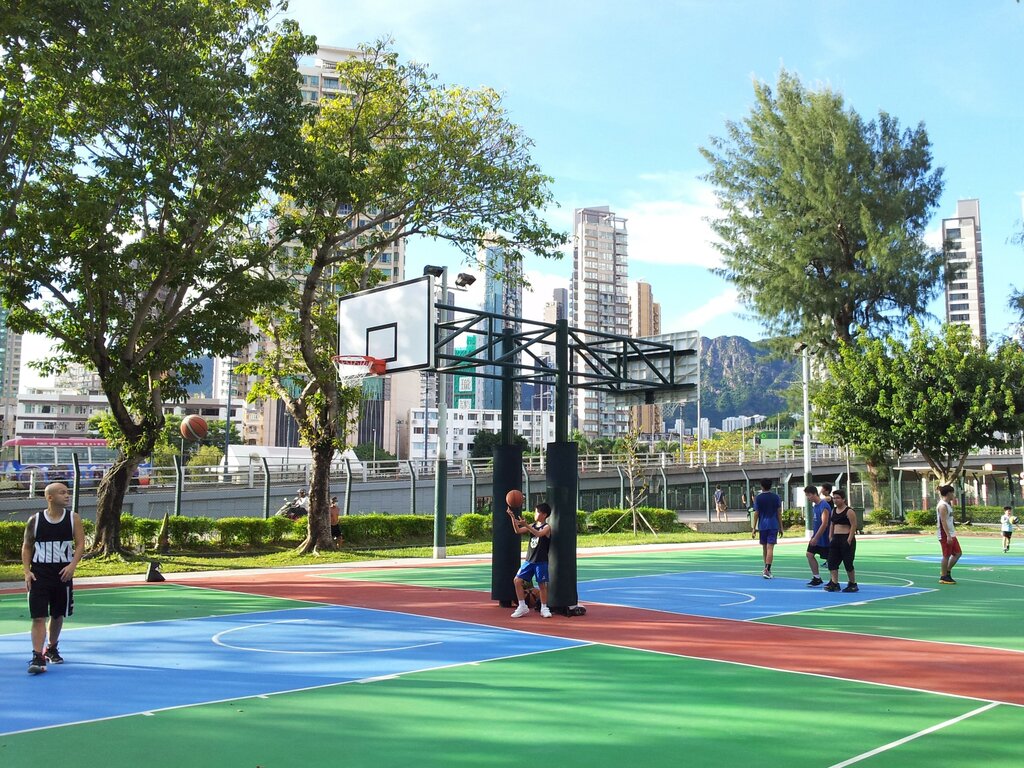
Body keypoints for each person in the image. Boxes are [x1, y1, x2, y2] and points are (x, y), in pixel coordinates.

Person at [22, 482, 85, 675]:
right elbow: (27, 546)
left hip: (62, 574)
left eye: (67, 492)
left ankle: (51, 647)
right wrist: (27, 571)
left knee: (57, 614)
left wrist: (72, 566)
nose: (67, 496)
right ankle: (37, 655)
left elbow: (81, 544)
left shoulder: (73, 518)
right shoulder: (36, 520)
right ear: (49, 497)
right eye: (62, 493)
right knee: (38, 616)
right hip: (39, 575)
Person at [508, 502, 552, 618]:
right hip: (529, 560)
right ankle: (522, 606)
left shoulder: (547, 527)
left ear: (544, 515)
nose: (535, 514)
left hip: (541, 561)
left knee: (542, 585)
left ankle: (544, 607)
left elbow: (538, 533)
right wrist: (512, 518)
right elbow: (517, 531)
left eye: (537, 512)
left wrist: (527, 525)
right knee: (517, 580)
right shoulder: (532, 525)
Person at [824, 489, 858, 593]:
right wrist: (830, 536)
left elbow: (853, 525)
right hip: (836, 538)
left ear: (843, 499)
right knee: (832, 562)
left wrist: (849, 538)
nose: (835, 500)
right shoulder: (833, 510)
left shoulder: (849, 511)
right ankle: (834, 583)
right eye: (834, 498)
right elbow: (832, 524)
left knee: (848, 562)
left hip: (846, 538)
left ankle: (852, 583)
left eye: (838, 498)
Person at [751, 478, 783, 579]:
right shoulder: (776, 497)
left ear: (761, 486)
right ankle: (767, 569)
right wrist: (781, 527)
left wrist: (754, 527)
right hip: (773, 525)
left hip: (762, 526)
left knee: (765, 548)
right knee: (770, 548)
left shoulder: (758, 498)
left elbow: (756, 513)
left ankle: (766, 569)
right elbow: (779, 512)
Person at [804, 485, 832, 586]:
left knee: (830, 560)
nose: (808, 497)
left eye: (809, 495)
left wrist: (816, 537)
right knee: (809, 554)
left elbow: (824, 524)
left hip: (824, 538)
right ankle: (817, 578)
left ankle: (833, 580)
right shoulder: (815, 506)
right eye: (807, 495)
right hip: (816, 536)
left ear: (815, 494)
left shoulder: (824, 506)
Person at [937, 485, 961, 584]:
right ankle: (943, 577)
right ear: (948, 493)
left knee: (958, 553)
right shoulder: (942, 505)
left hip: (951, 533)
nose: (954, 495)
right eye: (952, 493)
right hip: (945, 534)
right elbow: (943, 521)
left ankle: (946, 571)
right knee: (946, 555)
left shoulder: (947, 504)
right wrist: (948, 536)